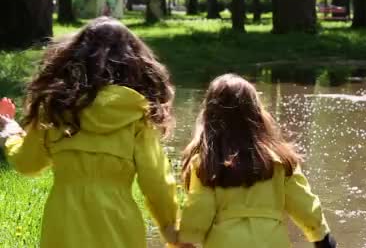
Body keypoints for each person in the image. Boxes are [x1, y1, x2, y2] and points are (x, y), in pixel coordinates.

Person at [0, 17, 178, 248]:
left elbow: (27, 162)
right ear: (134, 65)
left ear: (73, 59)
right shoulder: (137, 115)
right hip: (118, 228)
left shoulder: (56, 109)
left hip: (64, 227)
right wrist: (171, 228)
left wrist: (10, 132)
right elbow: (157, 180)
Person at [178, 74, 337, 248]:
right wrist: (322, 237)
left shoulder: (206, 162)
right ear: (256, 112)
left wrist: (183, 240)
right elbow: (303, 202)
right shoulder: (280, 160)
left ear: (210, 115)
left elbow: (200, 209)